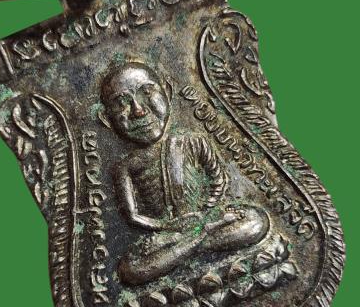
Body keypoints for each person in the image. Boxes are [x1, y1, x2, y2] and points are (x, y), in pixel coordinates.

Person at [99, 62, 269, 285]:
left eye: (147, 92)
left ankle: (191, 246)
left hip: (206, 221)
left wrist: (207, 211)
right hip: (170, 234)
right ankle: (198, 242)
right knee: (131, 268)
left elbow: (218, 178)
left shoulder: (193, 141)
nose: (138, 110)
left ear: (168, 92)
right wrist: (169, 228)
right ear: (106, 119)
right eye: (122, 102)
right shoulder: (126, 166)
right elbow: (132, 216)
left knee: (255, 221)